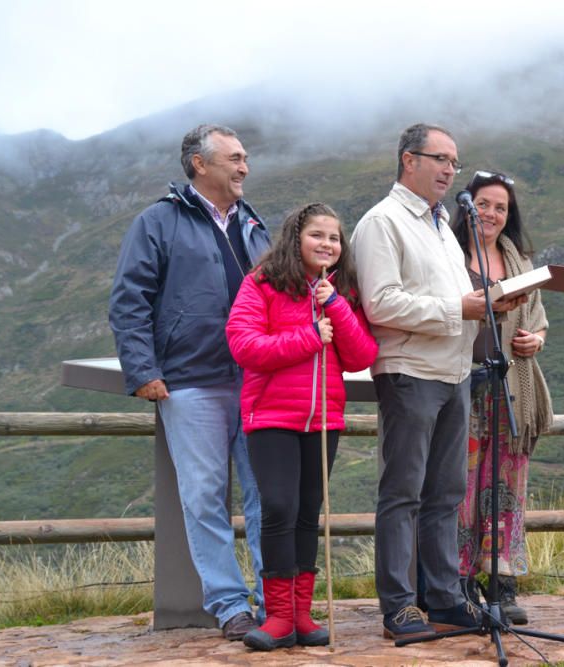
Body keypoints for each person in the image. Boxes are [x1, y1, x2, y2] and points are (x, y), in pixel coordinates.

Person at [351, 123, 517, 640]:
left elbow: (449, 300)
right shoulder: (383, 222)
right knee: (402, 493)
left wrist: (489, 304)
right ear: (409, 160)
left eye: (455, 162)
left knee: (446, 492)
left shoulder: (443, 224)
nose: (450, 170)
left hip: (454, 371)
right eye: (440, 159)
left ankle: (444, 598)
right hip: (409, 372)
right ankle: (399, 607)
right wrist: (459, 306)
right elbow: (381, 304)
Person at [109, 124, 269, 640]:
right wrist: (144, 371)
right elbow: (129, 300)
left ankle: (275, 600)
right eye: (235, 158)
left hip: (255, 379)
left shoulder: (254, 224)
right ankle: (229, 605)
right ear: (200, 164)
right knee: (204, 497)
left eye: (245, 158)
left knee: (267, 493)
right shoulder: (157, 221)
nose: (244, 167)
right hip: (190, 383)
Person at [226, 203, 378, 650]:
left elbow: (361, 356)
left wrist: (335, 307)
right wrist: (311, 335)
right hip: (270, 416)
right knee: (278, 508)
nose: (327, 244)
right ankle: (276, 616)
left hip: (323, 419)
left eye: (334, 238)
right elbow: (245, 345)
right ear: (296, 237)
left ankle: (300, 614)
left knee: (308, 512)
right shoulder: (262, 283)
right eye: (317, 235)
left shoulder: (340, 292)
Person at [450, 170, 552, 625]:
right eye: (484, 204)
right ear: (467, 206)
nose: (491, 214)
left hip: (509, 386)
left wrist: (536, 340)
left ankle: (502, 581)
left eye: (501, 207)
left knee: (506, 486)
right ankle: (459, 581)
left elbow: (538, 320)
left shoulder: (520, 263)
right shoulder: (447, 254)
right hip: (460, 384)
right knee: (462, 489)